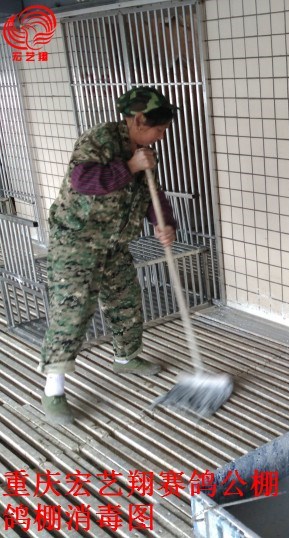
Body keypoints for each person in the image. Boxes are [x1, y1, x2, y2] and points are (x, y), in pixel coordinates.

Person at [39, 86, 179, 424]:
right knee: (72, 311)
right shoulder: (99, 140)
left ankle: (126, 358)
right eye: (159, 129)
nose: (161, 136)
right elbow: (83, 180)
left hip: (114, 242)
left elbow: (152, 194)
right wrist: (129, 166)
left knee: (125, 300)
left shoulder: (144, 152)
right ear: (139, 120)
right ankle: (53, 389)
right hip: (77, 240)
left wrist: (164, 223)